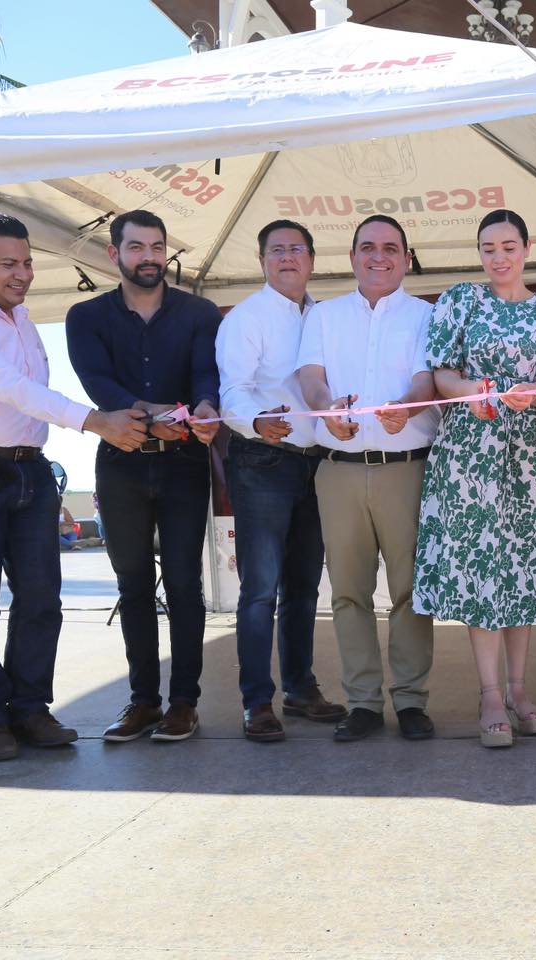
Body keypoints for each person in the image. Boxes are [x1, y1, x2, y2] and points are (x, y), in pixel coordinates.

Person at [0, 212, 147, 761]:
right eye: (8, 264)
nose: (22, 274)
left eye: (27, 263)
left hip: (29, 471)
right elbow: (11, 388)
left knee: (42, 599)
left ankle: (29, 708)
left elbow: (31, 396)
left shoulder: (21, 320)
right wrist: (95, 421)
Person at [413, 209, 536, 748]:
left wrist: (531, 393)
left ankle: (518, 689)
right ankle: (489, 694)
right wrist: (473, 390)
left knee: (523, 567)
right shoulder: (460, 301)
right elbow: (442, 372)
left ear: (527, 248)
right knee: (483, 567)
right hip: (472, 454)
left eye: (508, 247)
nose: (498, 257)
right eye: (488, 248)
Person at [66, 209, 221, 744]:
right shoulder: (85, 316)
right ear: (115, 254)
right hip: (121, 462)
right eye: (137, 247)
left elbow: (207, 377)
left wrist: (204, 407)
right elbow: (100, 387)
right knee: (132, 584)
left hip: (184, 463)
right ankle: (143, 702)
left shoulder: (200, 313)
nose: (149, 257)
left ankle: (184, 704)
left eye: (157, 247)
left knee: (183, 583)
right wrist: (158, 412)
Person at [297, 215, 439, 742]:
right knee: (348, 593)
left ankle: (411, 701)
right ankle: (362, 703)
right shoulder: (323, 315)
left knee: (410, 591)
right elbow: (311, 379)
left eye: (391, 248)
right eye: (368, 247)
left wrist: (409, 405)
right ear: (353, 256)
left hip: (408, 469)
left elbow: (427, 378)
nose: (379, 256)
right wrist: (325, 408)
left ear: (407, 258)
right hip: (339, 472)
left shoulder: (428, 315)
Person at [216, 219, 345, 743]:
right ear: (262, 261)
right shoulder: (246, 318)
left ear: (312, 259)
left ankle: (300, 688)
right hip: (263, 460)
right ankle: (256, 701)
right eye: (276, 250)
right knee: (260, 589)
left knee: (304, 586)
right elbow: (232, 392)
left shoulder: (326, 317)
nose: (287, 257)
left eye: (296, 249)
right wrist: (256, 420)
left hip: (317, 463)